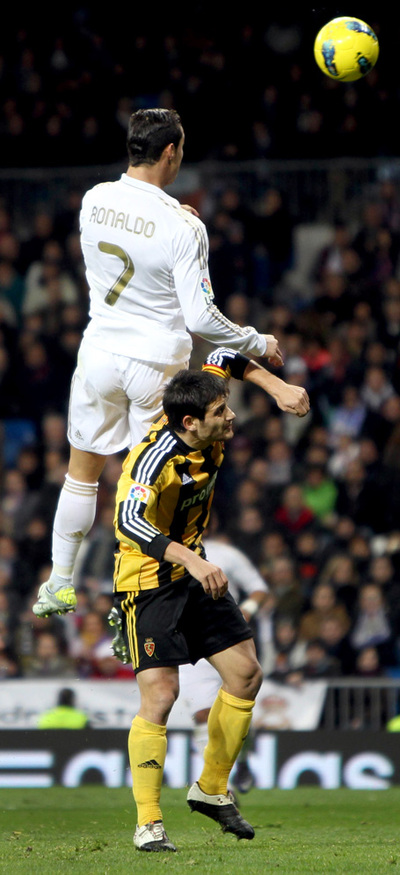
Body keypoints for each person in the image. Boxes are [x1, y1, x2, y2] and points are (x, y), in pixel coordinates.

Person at [32, 107, 307, 620]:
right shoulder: (184, 227)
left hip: (97, 353)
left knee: (80, 476)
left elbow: (137, 233)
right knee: (151, 483)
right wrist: (256, 339)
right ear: (170, 152)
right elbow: (202, 317)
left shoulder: (94, 200)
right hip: (154, 362)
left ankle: (60, 584)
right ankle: (132, 600)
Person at [107, 346, 309, 852]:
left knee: (246, 675)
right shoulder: (153, 461)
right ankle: (148, 822)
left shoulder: (200, 409)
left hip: (196, 570)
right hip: (148, 582)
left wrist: (278, 387)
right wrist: (194, 561)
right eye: (222, 413)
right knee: (162, 695)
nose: (231, 415)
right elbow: (127, 523)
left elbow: (223, 353)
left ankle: (212, 788)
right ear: (191, 423)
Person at [179, 533, 269, 795]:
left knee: (236, 709)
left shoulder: (226, 553)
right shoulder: (163, 550)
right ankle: (220, 789)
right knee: (202, 715)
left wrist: (248, 610)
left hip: (228, 639)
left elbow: (258, 587)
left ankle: (241, 762)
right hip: (188, 644)